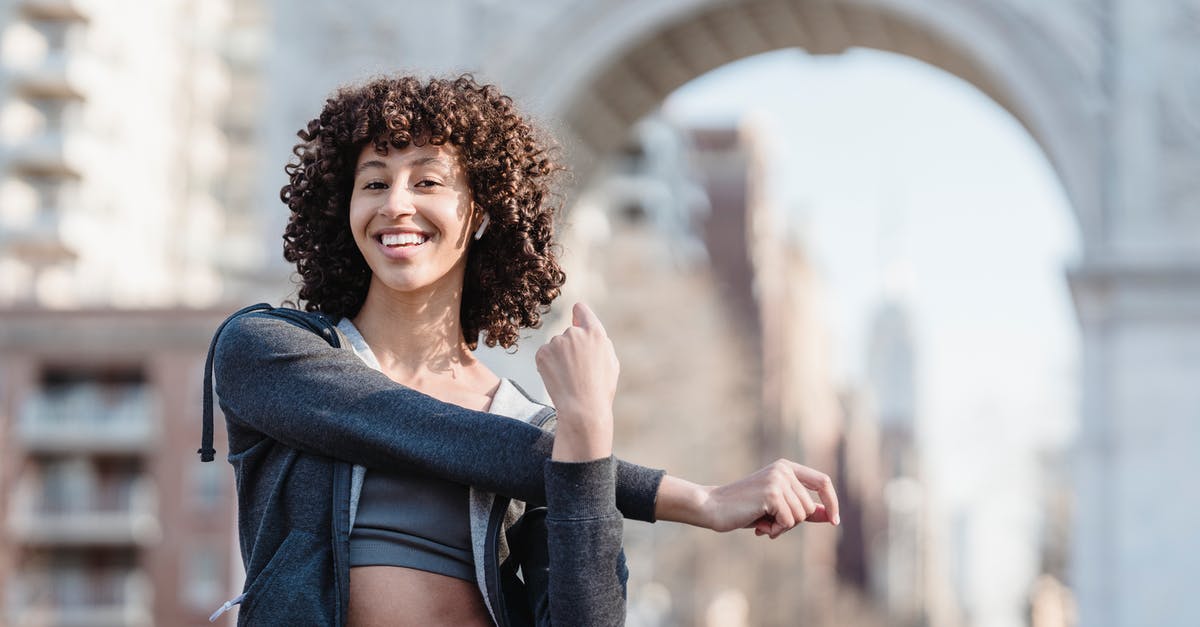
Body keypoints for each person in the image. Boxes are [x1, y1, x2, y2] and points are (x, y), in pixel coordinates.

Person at [200, 74, 840, 627]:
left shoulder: (533, 427)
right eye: (373, 183)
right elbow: (428, 432)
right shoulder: (267, 351)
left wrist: (587, 434)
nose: (397, 205)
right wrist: (695, 500)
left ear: (479, 212)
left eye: (427, 181)